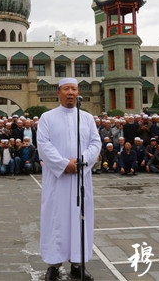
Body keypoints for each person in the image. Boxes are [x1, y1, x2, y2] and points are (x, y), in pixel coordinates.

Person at [37, 77, 101, 281]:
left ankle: (77, 264)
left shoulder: (87, 118)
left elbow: (95, 142)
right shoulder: (47, 117)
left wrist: (81, 162)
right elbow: (44, 145)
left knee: (80, 220)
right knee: (55, 220)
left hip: (81, 179)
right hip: (57, 180)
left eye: (74, 88)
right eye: (66, 89)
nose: (71, 92)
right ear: (59, 93)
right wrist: (65, 164)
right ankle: (53, 266)